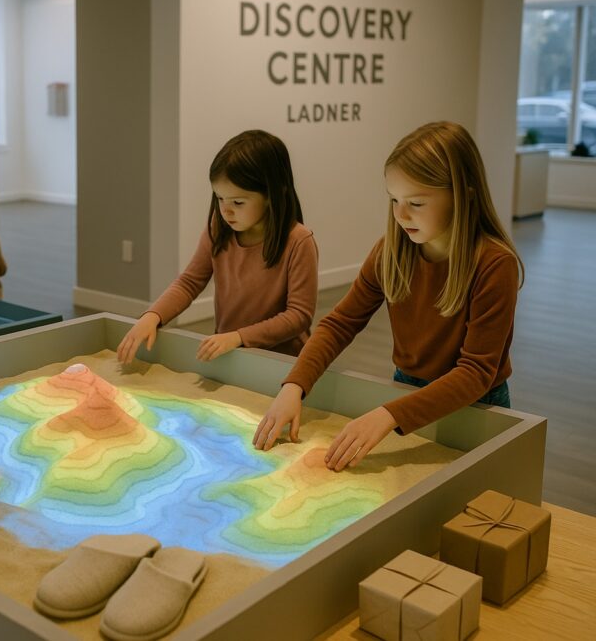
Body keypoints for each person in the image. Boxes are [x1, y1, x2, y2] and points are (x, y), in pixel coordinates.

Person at [253, 121, 523, 471]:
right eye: (393, 200)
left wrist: (387, 416)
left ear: (463, 195)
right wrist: (294, 385)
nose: (401, 214)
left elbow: (475, 373)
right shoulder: (390, 252)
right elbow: (339, 324)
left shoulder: (494, 264)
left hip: (477, 402)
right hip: (405, 389)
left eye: (416, 202)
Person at [117, 129, 318, 364]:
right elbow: (190, 282)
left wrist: (239, 337)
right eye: (220, 199)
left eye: (238, 202)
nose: (226, 211)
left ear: (272, 194)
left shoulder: (298, 241)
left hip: (280, 362)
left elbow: (298, 316)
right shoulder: (219, 229)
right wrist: (153, 316)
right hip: (229, 353)